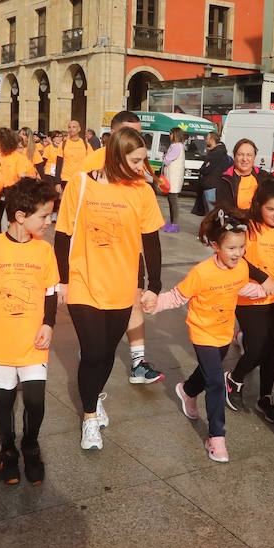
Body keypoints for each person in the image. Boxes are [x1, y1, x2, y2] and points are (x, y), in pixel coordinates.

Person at [55, 126, 163, 451]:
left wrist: (153, 286)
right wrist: (62, 279)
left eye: (143, 160)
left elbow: (152, 241)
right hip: (83, 282)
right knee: (93, 352)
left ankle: (95, 393)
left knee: (105, 354)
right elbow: (62, 233)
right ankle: (89, 417)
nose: (141, 167)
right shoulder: (82, 183)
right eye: (135, 161)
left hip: (122, 287)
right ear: (117, 156)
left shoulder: (142, 190)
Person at [155, 207, 274, 462]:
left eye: (242, 247)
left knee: (206, 374)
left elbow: (241, 289)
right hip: (202, 332)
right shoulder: (201, 273)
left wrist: (266, 291)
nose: (238, 253)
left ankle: (187, 391)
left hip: (223, 331)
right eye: (232, 248)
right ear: (215, 246)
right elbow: (177, 296)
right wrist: (154, 303)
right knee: (216, 382)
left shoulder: (241, 267)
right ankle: (216, 438)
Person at [0, 177, 61, 485]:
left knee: (35, 400)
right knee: (4, 400)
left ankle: (31, 445)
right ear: (20, 216)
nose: (49, 221)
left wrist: (48, 323)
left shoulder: (45, 251)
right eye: (44, 216)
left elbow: (50, 291)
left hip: (34, 340)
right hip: (0, 342)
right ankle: (7, 450)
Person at [77, 110, 166, 384]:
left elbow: (150, 193)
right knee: (95, 340)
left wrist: (156, 283)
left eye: (139, 133)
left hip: (128, 251)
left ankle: (137, 360)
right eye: (130, 131)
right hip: (95, 260)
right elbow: (79, 205)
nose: (136, 138)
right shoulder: (92, 162)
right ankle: (90, 359)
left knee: (134, 296)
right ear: (114, 135)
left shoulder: (138, 165)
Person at [226, 179, 274, 423]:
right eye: (271, 209)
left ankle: (265, 397)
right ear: (259, 206)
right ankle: (234, 379)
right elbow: (239, 258)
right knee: (258, 346)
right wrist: (264, 278)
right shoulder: (248, 229)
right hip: (247, 298)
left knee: (270, 351)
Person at [215, 139, 262, 211]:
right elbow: (223, 208)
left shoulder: (264, 177)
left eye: (249, 155)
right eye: (240, 154)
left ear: (254, 157)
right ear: (234, 156)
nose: (245, 159)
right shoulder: (225, 179)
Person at [159, 126, 186, 233]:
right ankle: (172, 222)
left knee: (173, 202)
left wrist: (165, 158)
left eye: (171, 134)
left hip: (173, 178)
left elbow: (167, 160)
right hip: (172, 177)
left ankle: (175, 223)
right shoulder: (177, 146)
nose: (169, 136)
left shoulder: (176, 147)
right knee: (171, 201)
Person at [56, 119, 92, 191]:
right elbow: (58, 164)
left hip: (81, 178)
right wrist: (57, 182)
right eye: (69, 127)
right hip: (66, 179)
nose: (71, 129)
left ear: (79, 129)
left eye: (74, 127)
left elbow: (91, 162)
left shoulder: (86, 145)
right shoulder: (63, 144)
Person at [198, 133, 230, 210]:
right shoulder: (216, 152)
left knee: (212, 213)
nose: (206, 141)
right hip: (211, 186)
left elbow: (205, 169)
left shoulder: (216, 154)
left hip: (212, 186)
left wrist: (203, 168)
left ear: (212, 140)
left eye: (207, 139)